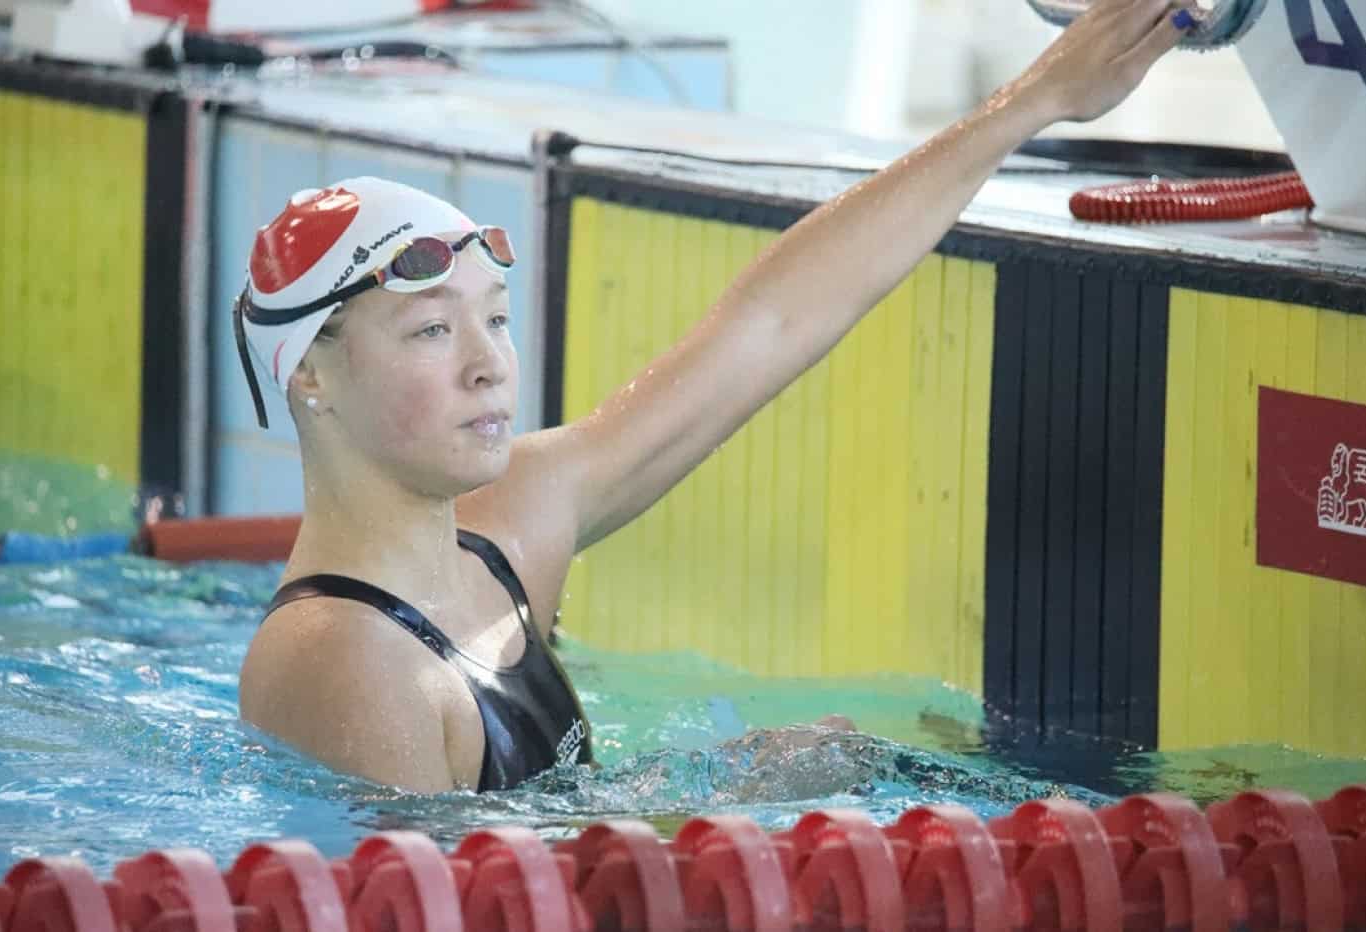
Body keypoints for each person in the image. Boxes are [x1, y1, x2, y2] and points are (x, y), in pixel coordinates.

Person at [237, 0, 1198, 794]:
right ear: (309, 372)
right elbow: (460, 905)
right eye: (431, 330)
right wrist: (718, 796)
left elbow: (766, 327)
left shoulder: (506, 530)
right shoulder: (343, 660)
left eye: (496, 317)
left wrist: (1034, 101)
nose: (489, 364)